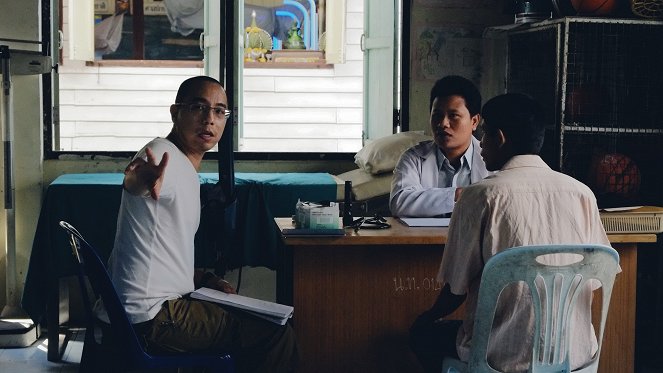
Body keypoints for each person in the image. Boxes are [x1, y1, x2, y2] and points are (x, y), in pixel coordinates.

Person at [99, 76, 298, 372]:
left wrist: (203, 278)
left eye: (219, 111)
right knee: (276, 333)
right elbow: (136, 181)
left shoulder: (182, 164)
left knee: (257, 322)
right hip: (154, 317)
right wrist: (139, 180)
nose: (209, 119)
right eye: (198, 107)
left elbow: (158, 256)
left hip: (140, 311)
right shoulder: (162, 156)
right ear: (175, 112)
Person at [409, 93, 613, 372]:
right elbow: (597, 279)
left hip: (499, 357)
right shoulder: (582, 194)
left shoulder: (480, 196)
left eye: (484, 135)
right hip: (575, 355)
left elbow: (456, 290)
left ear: (500, 138)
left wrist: (426, 317)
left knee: (422, 334)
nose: (480, 146)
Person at [389, 75, 490, 217]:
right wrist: (457, 195)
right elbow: (399, 202)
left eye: (453, 115)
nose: (443, 124)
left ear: (474, 121)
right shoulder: (413, 158)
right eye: (437, 115)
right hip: (424, 239)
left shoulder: (492, 158)